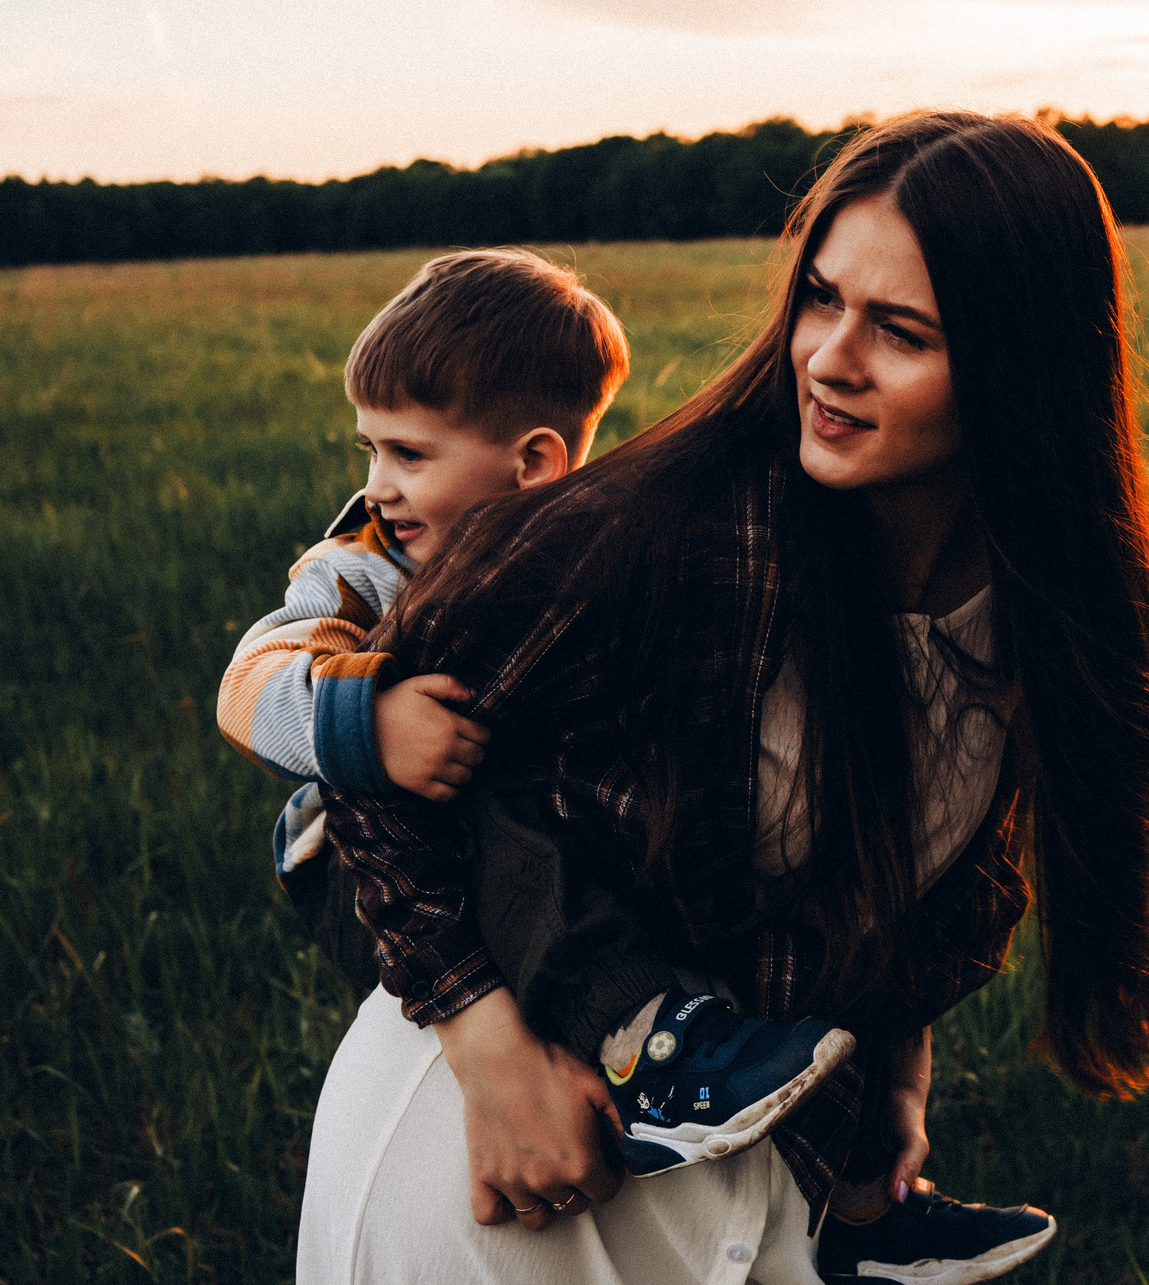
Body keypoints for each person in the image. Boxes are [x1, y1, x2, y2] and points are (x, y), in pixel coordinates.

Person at [300, 110, 1149, 1285]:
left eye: (901, 331)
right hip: (497, 1157)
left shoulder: (1035, 608)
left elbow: (912, 865)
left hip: (750, 1198)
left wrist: (894, 1065)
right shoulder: (652, 533)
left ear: (1019, 367)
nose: (831, 357)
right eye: (822, 300)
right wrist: (488, 1052)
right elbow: (361, 763)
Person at [213, 250, 862, 1173]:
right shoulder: (360, 564)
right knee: (516, 840)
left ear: (534, 464)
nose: (380, 485)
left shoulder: (584, 554)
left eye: (408, 453)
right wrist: (368, 719)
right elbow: (249, 679)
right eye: (374, 448)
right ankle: (654, 1054)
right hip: (351, 862)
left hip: (505, 844)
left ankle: (848, 1182)